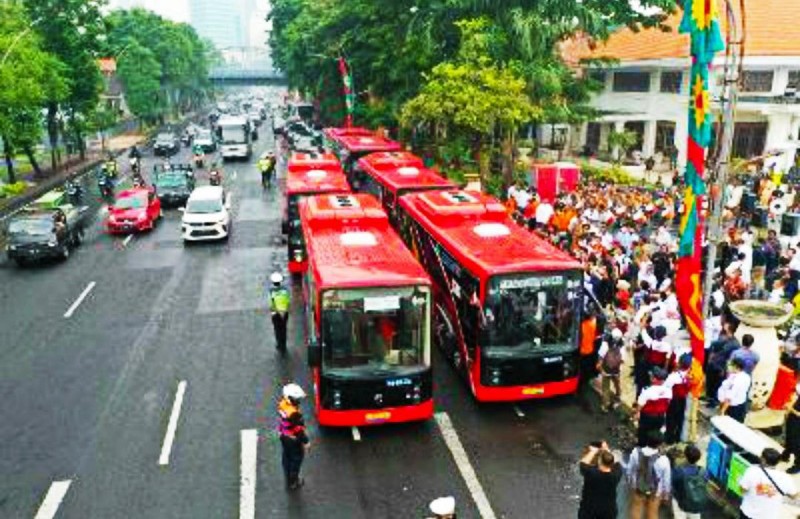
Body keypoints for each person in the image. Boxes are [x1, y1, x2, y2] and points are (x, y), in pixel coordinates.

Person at [739, 447, 798, 519]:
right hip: (768, 516)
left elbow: (742, 490)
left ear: (763, 460)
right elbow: (794, 496)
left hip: (748, 513)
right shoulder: (785, 478)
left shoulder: (752, 471)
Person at [626, 432, 671, 519]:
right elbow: (666, 479)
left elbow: (630, 469)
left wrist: (630, 482)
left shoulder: (636, 452)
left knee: (636, 510)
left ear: (647, 440)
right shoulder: (664, 459)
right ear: (660, 444)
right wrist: (666, 493)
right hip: (655, 490)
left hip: (638, 486)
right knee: (653, 513)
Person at [578, 441, 622, 519]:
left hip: (589, 510)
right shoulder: (616, 475)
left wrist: (593, 451)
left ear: (599, 461)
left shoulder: (591, 474)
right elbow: (616, 462)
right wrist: (607, 450)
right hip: (609, 511)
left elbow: (583, 463)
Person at [277, 383, 310, 490]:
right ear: (290, 398)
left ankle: (288, 475)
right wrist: (306, 442)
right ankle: (294, 482)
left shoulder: (283, 404)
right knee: (296, 459)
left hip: (284, 436)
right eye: (297, 399)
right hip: (293, 440)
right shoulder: (294, 414)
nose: (299, 401)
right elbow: (298, 430)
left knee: (286, 456)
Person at [635, 367, 672, 447]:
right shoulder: (668, 390)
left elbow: (640, 404)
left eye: (652, 376)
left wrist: (637, 413)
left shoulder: (647, 390)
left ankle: (642, 446)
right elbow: (668, 402)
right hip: (660, 416)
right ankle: (653, 446)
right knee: (655, 432)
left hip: (647, 417)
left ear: (654, 379)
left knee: (643, 432)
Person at [671, 444, 707, 519]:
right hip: (696, 504)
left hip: (681, 502)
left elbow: (672, 484)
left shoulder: (679, 471)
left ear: (685, 456)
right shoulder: (703, 472)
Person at [664, 354, 691, 444]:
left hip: (673, 400)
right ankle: (677, 437)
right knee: (680, 418)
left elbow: (666, 387)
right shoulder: (689, 375)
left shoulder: (673, 376)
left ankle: (669, 439)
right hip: (682, 399)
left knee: (670, 419)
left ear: (679, 364)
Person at [597, 328, 624, 413]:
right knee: (617, 384)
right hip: (616, 370)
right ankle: (618, 398)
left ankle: (605, 406)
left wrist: (601, 370)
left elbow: (600, 358)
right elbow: (623, 360)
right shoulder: (621, 346)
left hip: (606, 370)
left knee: (606, 388)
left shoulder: (605, 344)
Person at [718, 357, 751, 423]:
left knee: (730, 425)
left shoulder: (736, 381)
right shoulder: (744, 375)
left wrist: (722, 411)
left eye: (730, 365)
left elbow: (729, 398)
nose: (728, 366)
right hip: (740, 405)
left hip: (733, 408)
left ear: (737, 368)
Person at [269, 272, 290, 351]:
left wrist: (275, 310)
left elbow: (271, 304)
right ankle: (284, 344)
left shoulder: (271, 291)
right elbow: (288, 301)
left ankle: (279, 344)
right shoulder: (285, 291)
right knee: (283, 328)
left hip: (276, 313)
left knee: (277, 329)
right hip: (284, 312)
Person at [783, 381, 800, 474]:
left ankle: (797, 465)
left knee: (797, 443)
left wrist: (790, 409)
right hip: (793, 419)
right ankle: (786, 455)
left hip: (798, 421)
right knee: (789, 437)